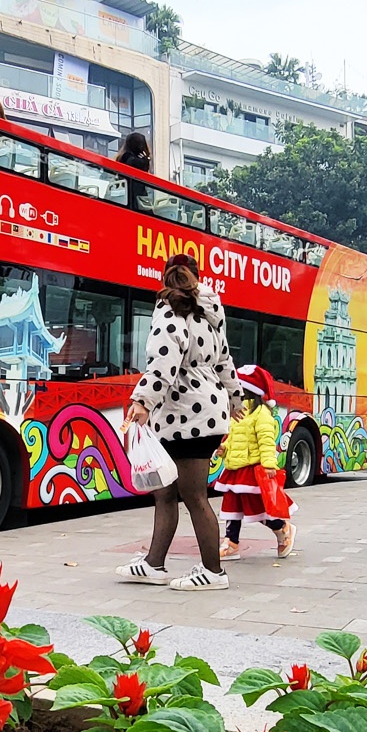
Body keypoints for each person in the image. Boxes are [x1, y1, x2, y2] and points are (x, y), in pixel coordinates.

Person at [120, 253, 239, 590]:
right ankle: (154, 564)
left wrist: (143, 400)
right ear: (197, 277)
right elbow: (225, 358)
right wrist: (234, 398)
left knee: (192, 495)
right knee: (167, 492)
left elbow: (164, 361)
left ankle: (214, 573)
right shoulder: (211, 310)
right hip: (206, 411)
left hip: (186, 414)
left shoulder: (170, 309)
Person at [218, 364, 296, 560]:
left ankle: (282, 529)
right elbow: (233, 436)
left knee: (258, 508)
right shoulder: (238, 411)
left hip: (252, 469)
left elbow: (267, 441)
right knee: (231, 507)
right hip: (234, 468)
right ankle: (232, 541)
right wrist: (224, 449)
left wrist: (269, 464)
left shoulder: (262, 414)